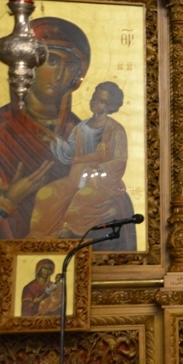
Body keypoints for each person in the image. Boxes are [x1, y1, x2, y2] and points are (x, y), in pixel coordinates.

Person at [0, 18, 90, 252]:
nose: (60, 74)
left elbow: (109, 192)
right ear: (27, 65)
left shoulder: (83, 133)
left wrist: (111, 205)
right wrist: (7, 201)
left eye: (70, 66)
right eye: (51, 61)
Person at [28, 82, 136, 247]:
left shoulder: (116, 130)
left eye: (101, 101)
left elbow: (120, 159)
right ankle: (39, 235)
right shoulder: (81, 127)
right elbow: (70, 153)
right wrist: (53, 140)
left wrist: (99, 168)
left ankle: (68, 227)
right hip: (75, 178)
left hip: (101, 182)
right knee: (46, 193)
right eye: (94, 98)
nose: (95, 103)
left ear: (109, 106)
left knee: (82, 196)